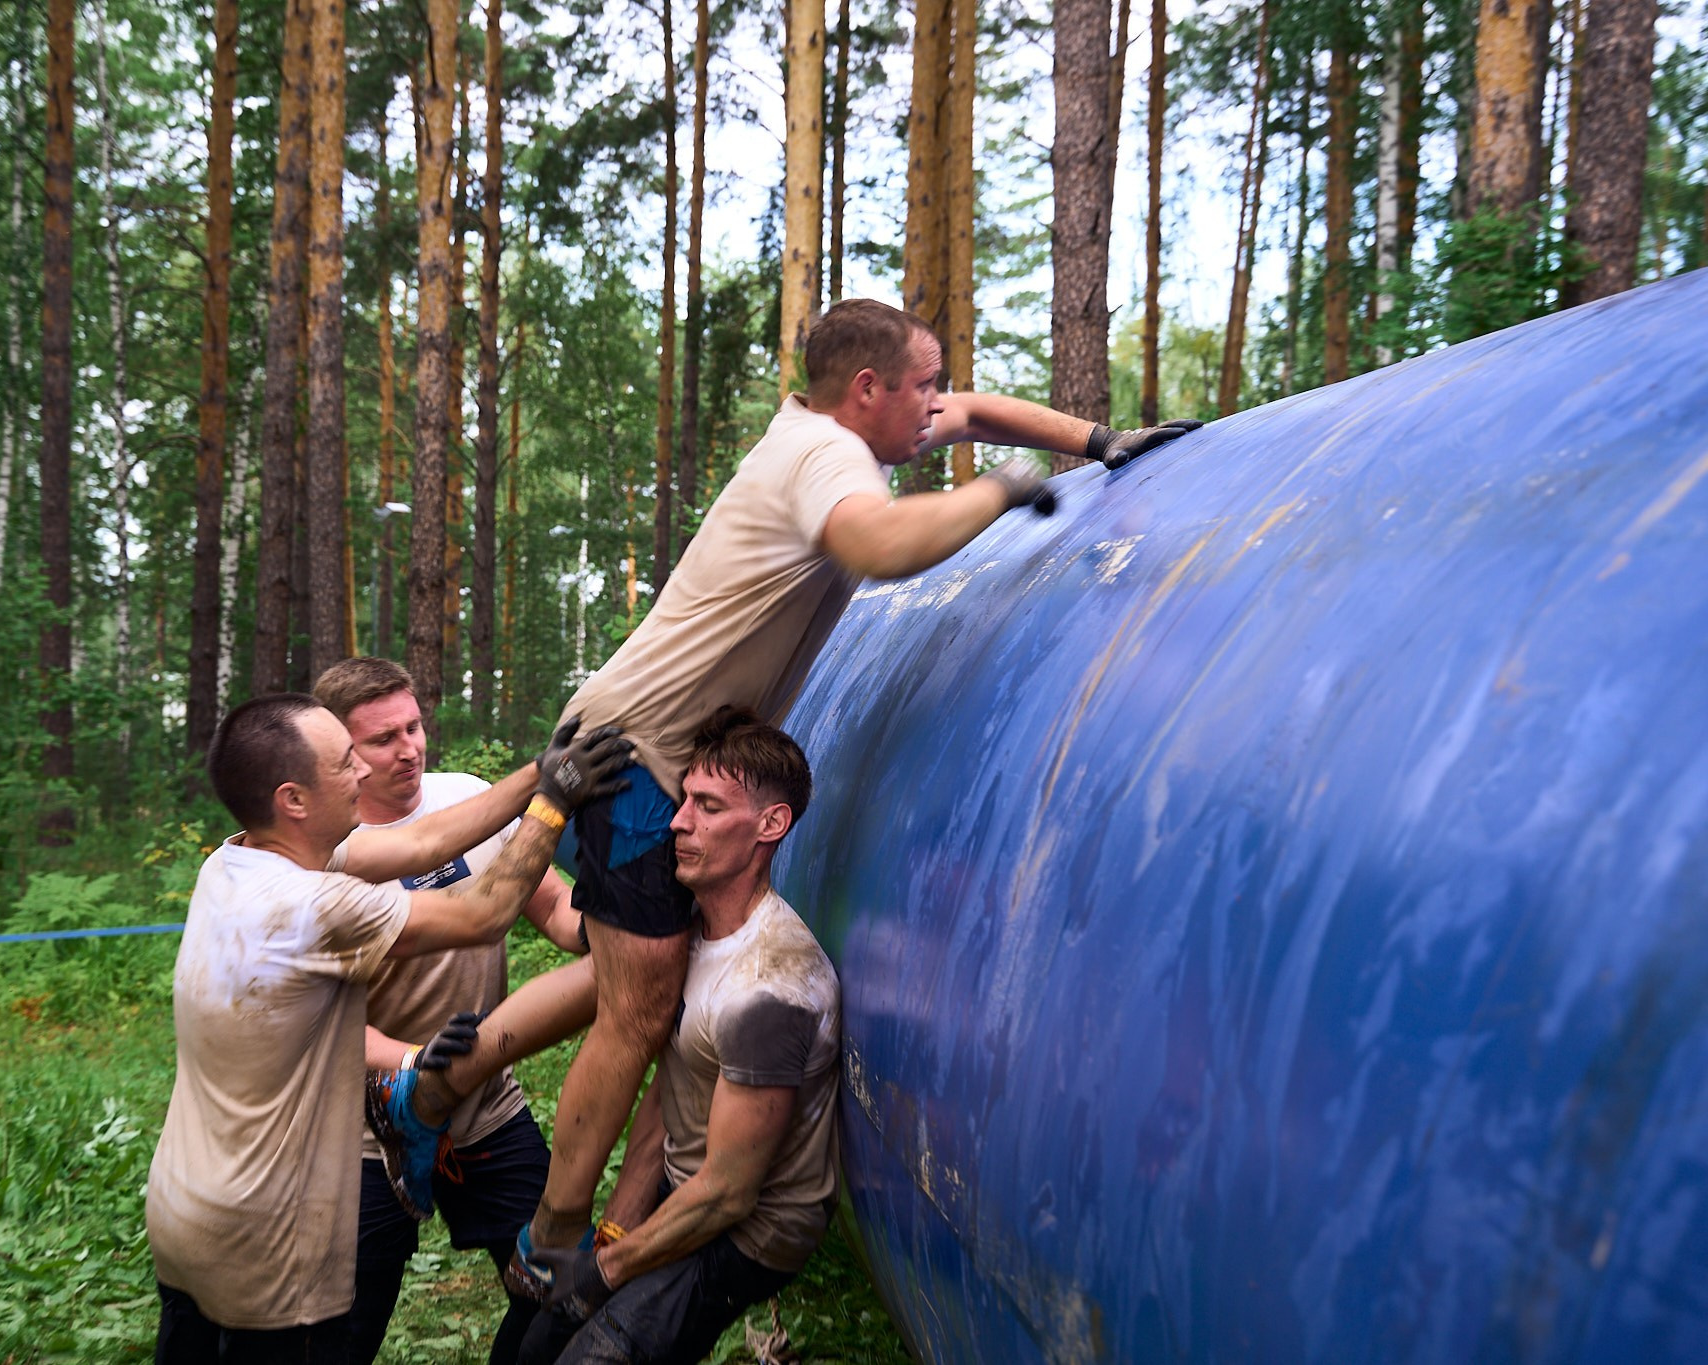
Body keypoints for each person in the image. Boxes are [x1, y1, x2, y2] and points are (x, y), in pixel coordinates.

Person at [503, 297, 1204, 1283]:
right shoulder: (825, 462)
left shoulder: (832, 431)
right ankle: (551, 1237)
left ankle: (579, 1199)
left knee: (642, 991)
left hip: (654, 750)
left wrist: (1099, 441)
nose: (934, 402)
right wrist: (1001, 493)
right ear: (863, 390)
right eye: (917, 384)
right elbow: (876, 548)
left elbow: (970, 412)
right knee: (637, 1009)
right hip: (635, 762)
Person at [145, 693, 629, 1363]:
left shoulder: (234, 863)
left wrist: (540, 774)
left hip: (185, 1206)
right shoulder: (309, 905)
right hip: (269, 1232)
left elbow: (421, 840)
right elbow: (485, 913)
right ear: (294, 799)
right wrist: (552, 806)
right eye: (346, 762)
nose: (364, 775)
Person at [510, 708, 839, 1364]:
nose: (679, 820)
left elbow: (728, 1191)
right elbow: (673, 1090)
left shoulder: (769, 989)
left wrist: (605, 1272)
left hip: (748, 1231)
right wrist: (614, 1229)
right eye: (683, 797)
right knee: (534, 1338)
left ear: (770, 825)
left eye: (708, 806)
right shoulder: (688, 936)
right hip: (686, 1185)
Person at [312, 657, 587, 1365]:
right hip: (369, 1126)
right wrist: (411, 1063)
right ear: (340, 757)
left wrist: (617, 929)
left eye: (413, 726)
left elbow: (552, 904)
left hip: (484, 1102)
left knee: (555, 1294)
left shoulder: (467, 801)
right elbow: (326, 1023)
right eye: (383, 739)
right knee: (345, 1328)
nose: (409, 748)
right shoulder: (320, 860)